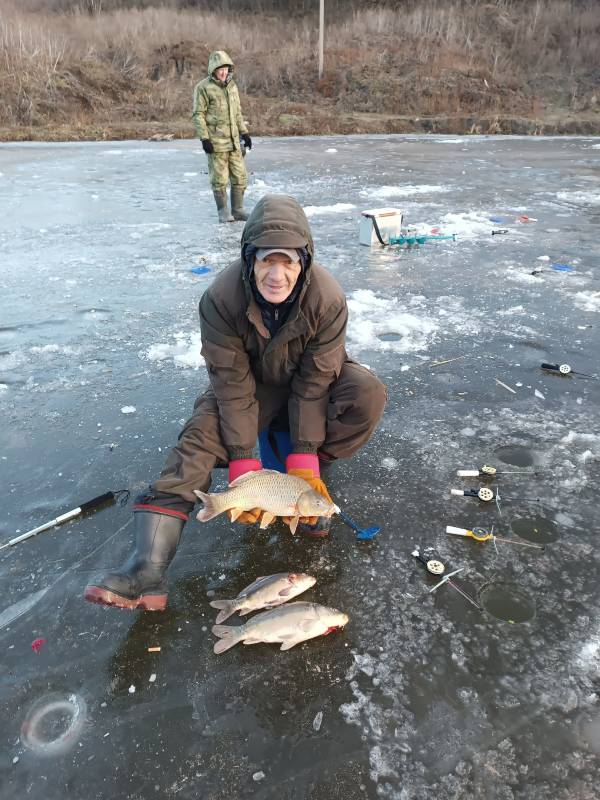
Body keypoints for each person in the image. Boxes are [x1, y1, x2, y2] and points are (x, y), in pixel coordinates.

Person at [84, 195, 387, 611]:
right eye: (266, 261)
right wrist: (244, 460)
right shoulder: (221, 298)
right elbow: (230, 383)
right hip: (249, 389)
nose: (277, 275)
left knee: (365, 392)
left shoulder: (327, 298)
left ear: (305, 263)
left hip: (310, 385)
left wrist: (305, 459)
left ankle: (311, 492)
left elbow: (314, 384)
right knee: (200, 435)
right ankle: (147, 569)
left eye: (289, 263)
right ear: (249, 259)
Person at [192, 50, 252, 224]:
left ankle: (238, 210)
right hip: (216, 142)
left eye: (225, 68)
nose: (223, 72)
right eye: (220, 69)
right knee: (219, 179)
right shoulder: (203, 88)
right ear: (213, 69)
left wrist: (244, 133)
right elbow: (198, 115)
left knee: (240, 176)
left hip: (234, 142)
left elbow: (237, 113)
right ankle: (223, 212)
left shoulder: (232, 86)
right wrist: (204, 139)